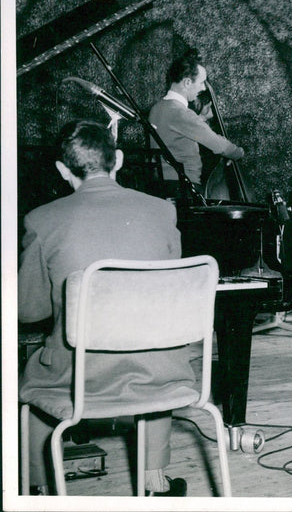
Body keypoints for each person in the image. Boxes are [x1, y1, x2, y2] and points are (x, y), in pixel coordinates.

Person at [18, 120, 192, 496]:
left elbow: (28, 311)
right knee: (153, 348)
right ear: (119, 161)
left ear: (63, 170)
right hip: (160, 374)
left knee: (31, 383)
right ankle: (154, 481)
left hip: (81, 376)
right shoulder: (162, 211)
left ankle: (39, 488)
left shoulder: (41, 219)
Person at [149, 47, 244, 198]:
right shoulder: (181, 113)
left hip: (162, 186)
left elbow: (174, 131)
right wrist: (238, 153)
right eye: (201, 82)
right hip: (184, 188)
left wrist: (201, 118)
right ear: (187, 82)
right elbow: (219, 146)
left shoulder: (157, 108)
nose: (204, 87)